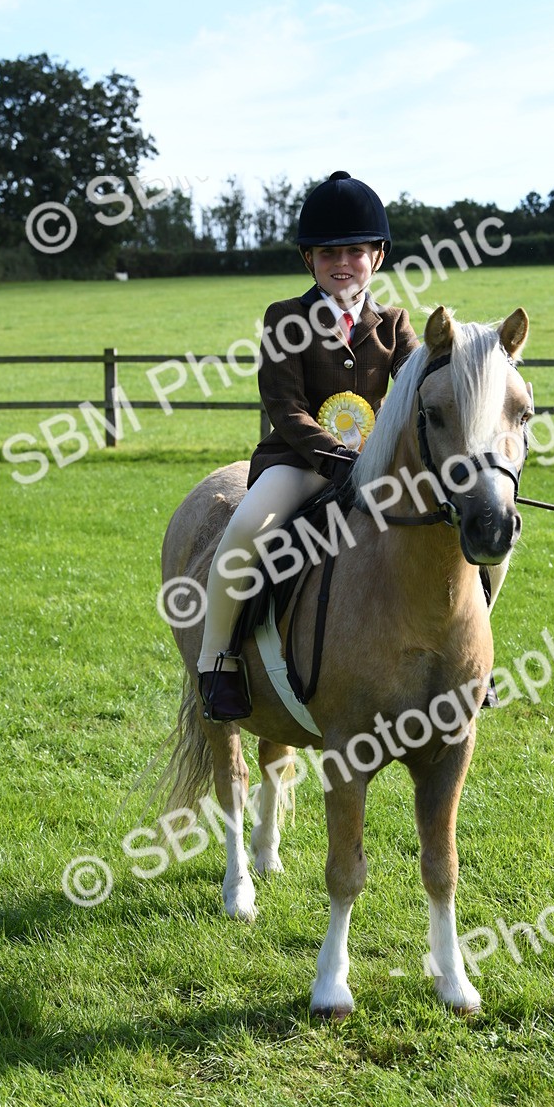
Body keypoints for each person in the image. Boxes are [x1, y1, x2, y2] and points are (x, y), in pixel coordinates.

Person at [197, 171, 419, 721]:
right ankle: (216, 660)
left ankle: (467, 659)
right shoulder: (287, 318)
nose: (340, 263)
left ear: (378, 256)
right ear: (309, 261)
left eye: (353, 251)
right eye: (326, 253)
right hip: (301, 463)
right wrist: (336, 456)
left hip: (375, 466)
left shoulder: (393, 324)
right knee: (245, 530)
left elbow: (422, 377)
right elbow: (285, 407)